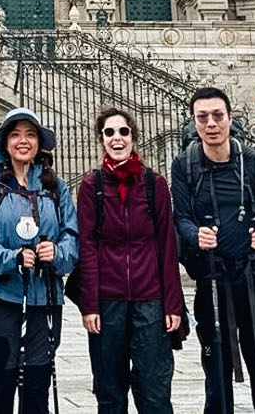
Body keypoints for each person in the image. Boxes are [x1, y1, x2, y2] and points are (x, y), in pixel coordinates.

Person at [170, 88, 255, 414]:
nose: (211, 124)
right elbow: (180, 217)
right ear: (194, 123)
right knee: (216, 369)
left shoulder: (254, 164)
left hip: (254, 279)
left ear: (229, 119)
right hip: (212, 279)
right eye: (202, 117)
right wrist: (196, 235)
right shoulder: (184, 166)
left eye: (217, 115)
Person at [0, 107, 78, 414]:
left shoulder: (56, 187)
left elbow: (72, 236)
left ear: (39, 142)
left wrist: (57, 253)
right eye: (15, 134)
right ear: (5, 143)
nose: (23, 141)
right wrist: (11, 258)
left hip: (45, 299)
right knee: (1, 387)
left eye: (30, 134)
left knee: (36, 387)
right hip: (1, 297)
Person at [76, 107, 183, 414]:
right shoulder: (91, 186)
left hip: (150, 300)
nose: (117, 138)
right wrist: (90, 305)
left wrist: (173, 304)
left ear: (133, 138)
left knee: (155, 390)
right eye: (109, 132)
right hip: (108, 302)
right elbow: (88, 247)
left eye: (123, 132)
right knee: (109, 391)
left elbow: (166, 245)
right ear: (101, 139)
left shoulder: (154, 185)